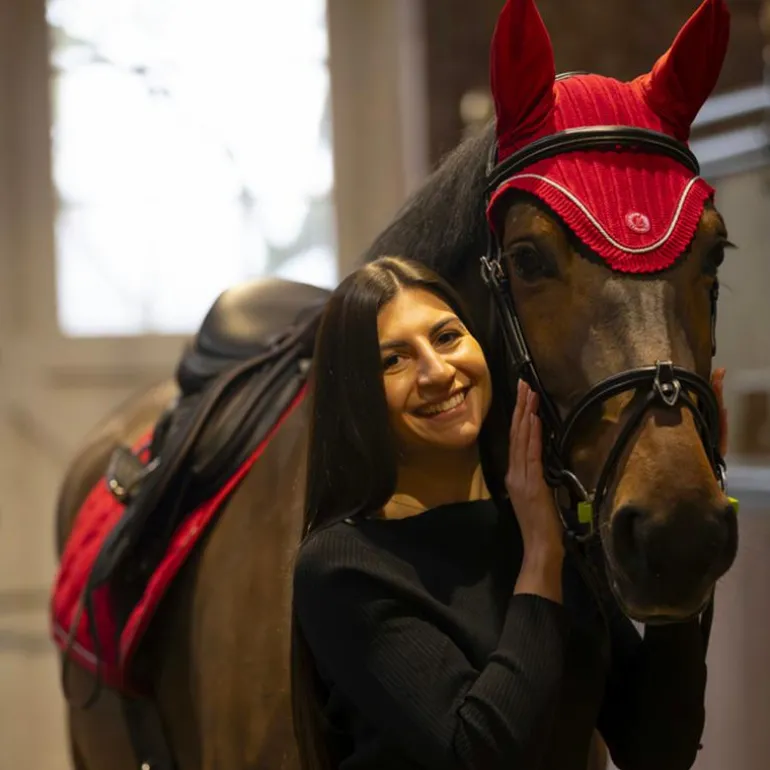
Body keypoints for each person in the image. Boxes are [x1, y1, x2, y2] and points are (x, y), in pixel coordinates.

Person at [290, 255, 727, 770]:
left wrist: (683, 538)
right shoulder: (342, 567)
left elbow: (659, 749)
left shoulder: (545, 523)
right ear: (358, 397)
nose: (437, 371)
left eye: (447, 337)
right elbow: (480, 753)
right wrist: (541, 555)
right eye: (394, 361)